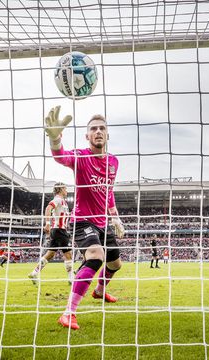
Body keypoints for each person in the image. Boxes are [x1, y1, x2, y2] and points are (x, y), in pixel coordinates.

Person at [44, 106, 125, 330]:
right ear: (87, 136)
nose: (98, 131)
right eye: (93, 129)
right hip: (82, 220)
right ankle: (68, 312)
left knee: (116, 264)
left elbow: (108, 191)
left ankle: (100, 291)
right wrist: (54, 139)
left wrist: (115, 218)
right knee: (96, 256)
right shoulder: (81, 157)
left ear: (107, 135)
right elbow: (61, 156)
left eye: (102, 128)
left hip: (103, 222)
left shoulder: (113, 162)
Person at [28, 182, 74, 285]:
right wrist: (47, 223)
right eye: (65, 189)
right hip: (59, 230)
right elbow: (48, 208)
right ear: (61, 189)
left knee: (50, 254)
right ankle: (71, 279)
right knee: (68, 255)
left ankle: (34, 272)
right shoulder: (58, 199)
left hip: (56, 230)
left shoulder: (63, 202)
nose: (67, 191)